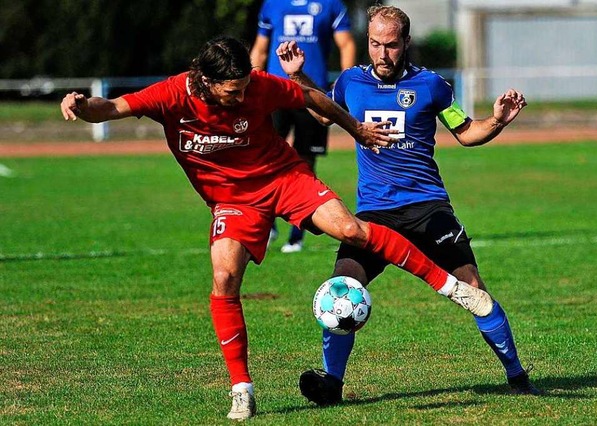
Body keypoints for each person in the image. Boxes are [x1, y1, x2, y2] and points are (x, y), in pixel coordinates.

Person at [60, 36, 494, 421]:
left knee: (352, 231)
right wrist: (81, 107)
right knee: (224, 276)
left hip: (283, 178)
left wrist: (356, 128)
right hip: (234, 200)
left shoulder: (259, 85)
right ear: (206, 82)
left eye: (246, 86)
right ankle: (242, 390)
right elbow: (111, 107)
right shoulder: (172, 94)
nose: (244, 95)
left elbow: (310, 98)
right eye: (234, 91)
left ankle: (452, 288)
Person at [275, 4, 542, 406]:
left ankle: (518, 377)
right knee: (341, 289)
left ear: (407, 43)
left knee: (472, 286)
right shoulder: (350, 82)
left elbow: (467, 133)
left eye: (392, 45)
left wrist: (498, 120)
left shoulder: (433, 86)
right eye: (375, 44)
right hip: (374, 213)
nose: (383, 54)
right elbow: (324, 113)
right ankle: (332, 383)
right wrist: (298, 76)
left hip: (427, 208)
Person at [250, 0, 356, 253]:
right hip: (274, 94)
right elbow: (260, 49)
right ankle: (268, 224)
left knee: (305, 164)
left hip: (312, 94)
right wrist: (252, 83)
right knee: (264, 162)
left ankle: (296, 234)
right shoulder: (272, 5)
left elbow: (347, 44)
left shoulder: (330, 5)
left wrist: (347, 84)